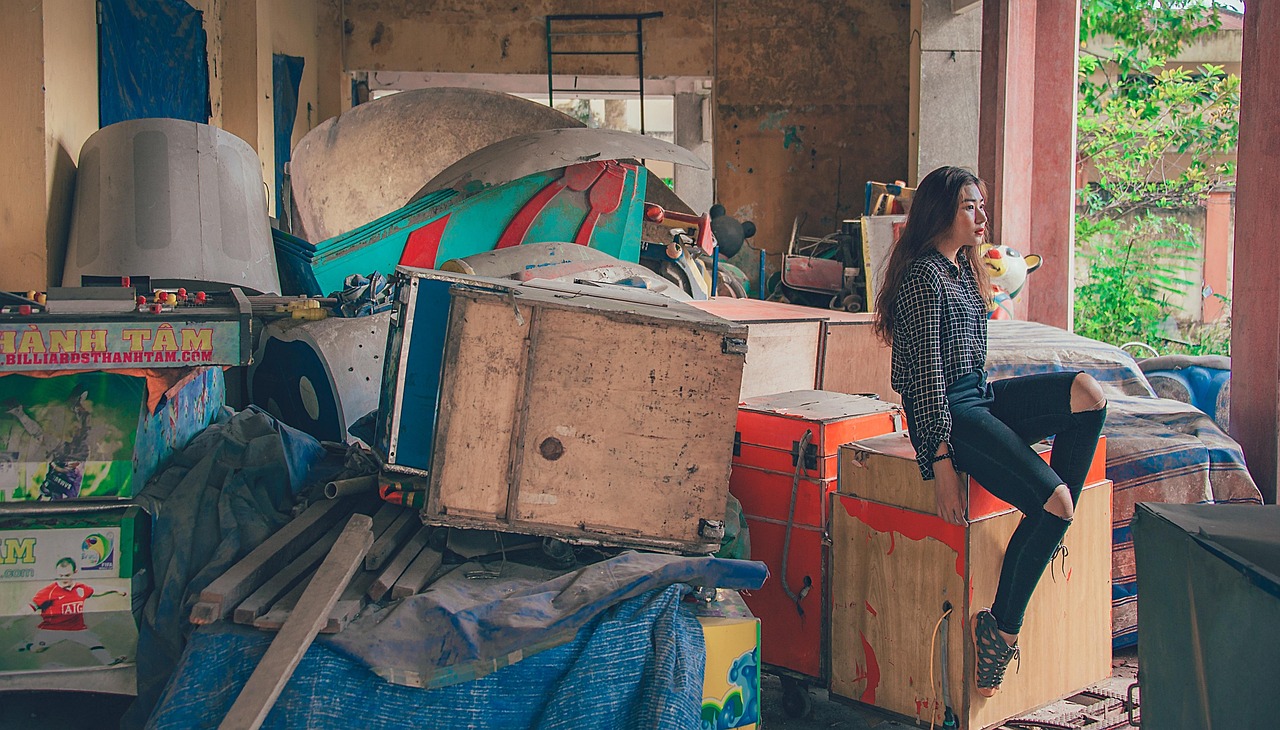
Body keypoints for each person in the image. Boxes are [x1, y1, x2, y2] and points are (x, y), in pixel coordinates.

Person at [872, 166, 1107, 697]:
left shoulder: (963, 269)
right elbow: (923, 382)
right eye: (969, 207)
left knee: (1087, 394)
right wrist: (941, 466)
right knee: (1056, 505)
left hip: (980, 395)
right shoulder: (922, 280)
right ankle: (999, 629)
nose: (982, 216)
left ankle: (1051, 524)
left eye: (981, 204)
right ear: (940, 213)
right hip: (950, 414)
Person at [22, 556, 128, 665]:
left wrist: (116, 589)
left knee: (94, 643)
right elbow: (30, 607)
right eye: (60, 576)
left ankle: (109, 662)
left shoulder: (80, 588)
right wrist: (12, 621)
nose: (63, 579)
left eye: (67, 575)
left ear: (75, 572)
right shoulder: (48, 592)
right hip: (53, 629)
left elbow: (97, 590)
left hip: (77, 629)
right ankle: (28, 645)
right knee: (38, 649)